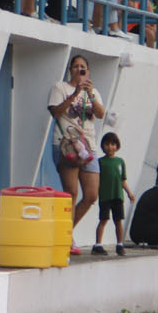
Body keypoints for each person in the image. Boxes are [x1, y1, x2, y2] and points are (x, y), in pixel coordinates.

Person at [48, 54, 105, 255]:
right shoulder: (60, 88)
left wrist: (88, 94)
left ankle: (66, 231)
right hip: (67, 145)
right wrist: (74, 94)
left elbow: (100, 114)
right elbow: (55, 112)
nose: (79, 70)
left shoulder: (93, 91)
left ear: (88, 71)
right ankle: (66, 238)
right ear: (70, 69)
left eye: (83, 67)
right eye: (76, 66)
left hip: (88, 147)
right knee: (71, 192)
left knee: (91, 195)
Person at [92, 131, 134, 256]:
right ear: (102, 146)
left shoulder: (120, 162)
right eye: (107, 144)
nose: (110, 147)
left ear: (116, 146)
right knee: (103, 219)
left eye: (112, 144)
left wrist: (129, 193)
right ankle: (98, 245)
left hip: (117, 195)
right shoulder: (100, 162)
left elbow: (122, 180)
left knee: (118, 220)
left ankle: (119, 244)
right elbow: (96, 180)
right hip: (105, 196)